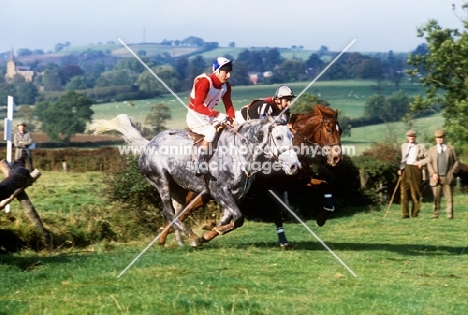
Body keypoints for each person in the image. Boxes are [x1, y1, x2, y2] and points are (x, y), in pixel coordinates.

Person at [186, 57, 235, 176]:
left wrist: (232, 120)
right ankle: (200, 162)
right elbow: (197, 106)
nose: (228, 76)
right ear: (217, 71)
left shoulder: (226, 86)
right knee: (212, 131)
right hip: (195, 116)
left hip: (208, 116)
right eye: (226, 72)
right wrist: (217, 114)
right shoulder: (204, 82)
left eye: (229, 72)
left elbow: (228, 105)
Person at [419, 129, 459, 219]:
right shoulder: (432, 149)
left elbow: (456, 161)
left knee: (449, 198)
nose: (439, 139)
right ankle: (435, 214)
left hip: (447, 177)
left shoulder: (450, 149)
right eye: (437, 138)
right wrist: (433, 173)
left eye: (441, 137)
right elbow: (429, 162)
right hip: (436, 178)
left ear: (444, 137)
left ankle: (450, 215)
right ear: (435, 139)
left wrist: (453, 170)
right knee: (436, 198)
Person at [398, 129, 427, 218]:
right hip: (405, 169)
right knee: (404, 192)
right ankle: (405, 214)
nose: (411, 138)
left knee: (415, 192)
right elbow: (403, 158)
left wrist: (421, 163)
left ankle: (415, 213)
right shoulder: (404, 146)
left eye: (413, 136)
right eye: (410, 136)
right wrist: (400, 168)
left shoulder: (420, 146)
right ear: (407, 137)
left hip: (415, 169)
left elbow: (428, 157)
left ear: (415, 137)